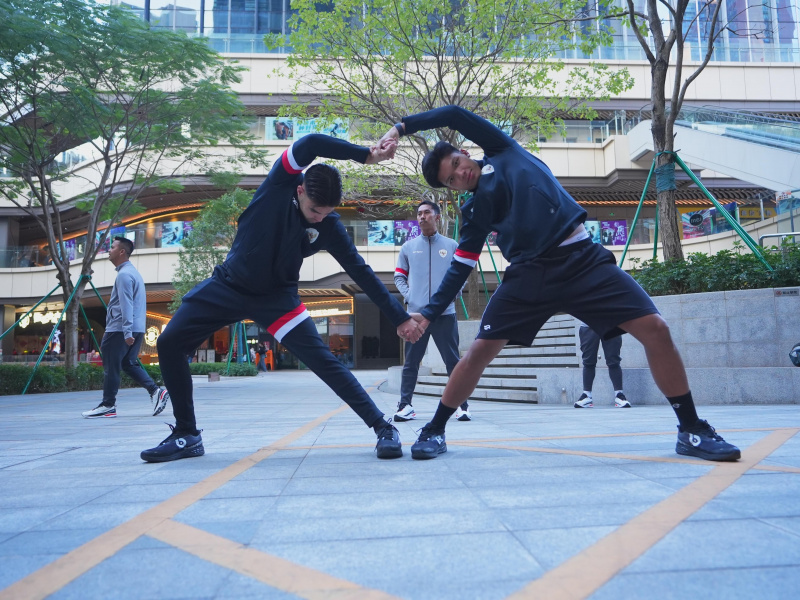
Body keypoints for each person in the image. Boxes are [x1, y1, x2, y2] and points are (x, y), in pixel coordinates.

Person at [379, 105, 740, 462]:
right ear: (451, 188)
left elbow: (454, 114)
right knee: (477, 353)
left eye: (458, 163)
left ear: (465, 152)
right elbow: (460, 267)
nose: (462, 174)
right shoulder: (474, 213)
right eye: (452, 178)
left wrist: (400, 128)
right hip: (529, 276)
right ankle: (435, 429)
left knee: (656, 328)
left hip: (583, 261)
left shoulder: (503, 151)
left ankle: (691, 428)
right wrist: (426, 314)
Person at [141, 133, 423, 463]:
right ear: (299, 190)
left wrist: (399, 318)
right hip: (229, 285)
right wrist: (366, 156)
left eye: (327, 212)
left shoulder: (329, 226)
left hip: (277, 299)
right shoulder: (279, 186)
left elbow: (363, 274)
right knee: (170, 342)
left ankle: (383, 428)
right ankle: (187, 434)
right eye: (314, 210)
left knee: (325, 362)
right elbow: (310, 144)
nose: (319, 217)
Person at [393, 200, 471, 423]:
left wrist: (453, 295)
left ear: (437, 217)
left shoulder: (452, 245)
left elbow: (461, 275)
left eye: (427, 213)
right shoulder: (408, 247)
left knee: (453, 362)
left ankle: (462, 406)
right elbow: (399, 276)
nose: (421, 217)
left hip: (445, 314)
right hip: (415, 317)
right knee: (411, 363)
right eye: (419, 213)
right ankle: (405, 405)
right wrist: (410, 297)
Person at [82, 236, 170, 419]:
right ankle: (156, 392)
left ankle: (108, 405)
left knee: (111, 367)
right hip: (135, 328)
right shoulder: (133, 273)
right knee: (127, 363)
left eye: (112, 247)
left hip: (120, 329)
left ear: (122, 252)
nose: (109, 250)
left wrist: (127, 332)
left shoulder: (124, 275)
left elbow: (126, 305)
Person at [574, 321, 630, 408]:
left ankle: (619, 395)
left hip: (611, 324)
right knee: (588, 361)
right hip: (587, 324)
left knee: (613, 360)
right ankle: (587, 396)